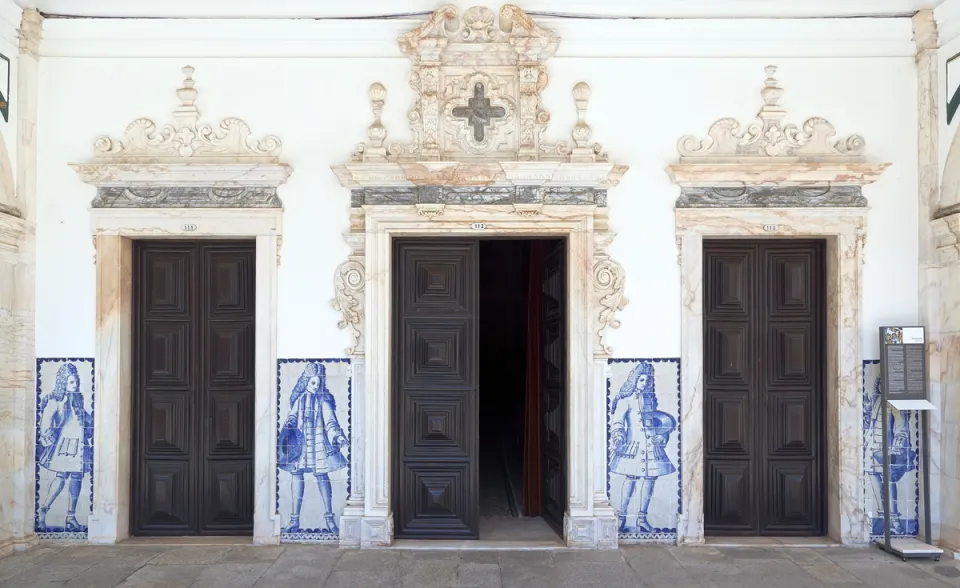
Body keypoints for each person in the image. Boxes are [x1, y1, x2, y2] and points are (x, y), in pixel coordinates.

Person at [280, 363, 348, 533]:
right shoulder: (300, 399)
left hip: (318, 443)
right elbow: (292, 417)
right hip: (300, 444)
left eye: (318, 384)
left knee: (322, 476)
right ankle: (294, 520)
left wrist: (337, 435)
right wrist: (289, 424)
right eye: (313, 383)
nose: (316, 386)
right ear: (306, 381)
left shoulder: (323, 400)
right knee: (297, 475)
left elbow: (331, 421)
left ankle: (329, 518)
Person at [609, 362, 676, 533]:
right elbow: (617, 423)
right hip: (633, 447)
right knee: (631, 478)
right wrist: (618, 436)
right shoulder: (625, 401)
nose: (644, 383)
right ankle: (622, 517)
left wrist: (662, 435)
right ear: (635, 380)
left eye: (647, 380)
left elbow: (659, 422)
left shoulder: (650, 400)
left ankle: (642, 519)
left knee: (650, 480)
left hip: (652, 447)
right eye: (641, 380)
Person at [36, 363, 92, 532]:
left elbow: (84, 418)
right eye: (71, 382)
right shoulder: (56, 400)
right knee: (61, 477)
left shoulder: (77, 399)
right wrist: (48, 436)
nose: (75, 385)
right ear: (63, 382)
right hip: (65, 445)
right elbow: (46, 422)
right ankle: (44, 510)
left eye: (76, 382)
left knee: (77, 478)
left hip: (79, 444)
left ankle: (71, 516)